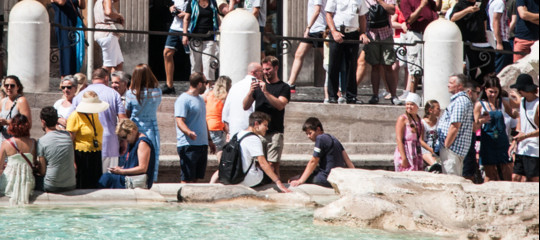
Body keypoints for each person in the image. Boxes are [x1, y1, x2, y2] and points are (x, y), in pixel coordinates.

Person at [68, 68, 127, 174]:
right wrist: (123, 140)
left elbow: (69, 119)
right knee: (109, 180)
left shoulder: (80, 95)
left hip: (86, 145)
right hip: (110, 143)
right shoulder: (114, 94)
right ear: (106, 78)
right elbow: (122, 119)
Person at [243, 56, 290, 177]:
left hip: (275, 131)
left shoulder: (283, 87)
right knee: (258, 163)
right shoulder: (258, 86)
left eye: (268, 69)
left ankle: (276, 185)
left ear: (276, 68)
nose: (265, 72)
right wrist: (250, 92)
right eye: (263, 70)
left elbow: (280, 105)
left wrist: (266, 92)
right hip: (258, 132)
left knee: (272, 164)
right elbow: (245, 106)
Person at [230, 112, 290, 192]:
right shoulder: (254, 138)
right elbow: (263, 163)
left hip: (234, 177)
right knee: (271, 167)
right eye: (265, 125)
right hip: (248, 180)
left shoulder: (238, 134)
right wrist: (278, 182)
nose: (267, 128)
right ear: (256, 124)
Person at [473, 75, 517, 181]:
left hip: (502, 140)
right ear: (485, 90)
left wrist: (515, 99)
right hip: (488, 141)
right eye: (490, 92)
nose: (493, 95)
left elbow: (514, 114)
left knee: (507, 169)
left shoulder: (502, 102)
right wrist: (481, 120)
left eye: (496, 92)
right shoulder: (480, 105)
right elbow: (475, 127)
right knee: (490, 172)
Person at [325, 0, 369, 104]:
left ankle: (351, 96)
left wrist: (363, 33)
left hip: (353, 32)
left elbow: (362, 17)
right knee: (334, 65)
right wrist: (334, 31)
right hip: (338, 31)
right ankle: (332, 95)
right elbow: (328, 14)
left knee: (352, 65)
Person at [289, 117, 354, 187]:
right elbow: (347, 159)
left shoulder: (320, 138)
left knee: (292, 180)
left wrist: (300, 181)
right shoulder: (334, 139)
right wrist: (354, 176)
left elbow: (313, 161)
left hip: (326, 178)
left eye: (310, 133)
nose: (308, 136)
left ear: (318, 129)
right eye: (307, 134)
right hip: (337, 177)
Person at [175, 72, 216, 183]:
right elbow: (179, 121)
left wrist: (209, 140)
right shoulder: (183, 99)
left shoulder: (201, 99)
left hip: (201, 144)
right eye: (205, 83)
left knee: (196, 179)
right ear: (199, 84)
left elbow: (203, 120)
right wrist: (189, 132)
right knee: (187, 178)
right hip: (188, 145)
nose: (207, 85)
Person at [437, 74, 480, 176]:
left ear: (460, 86)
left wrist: (446, 146)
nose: (448, 85)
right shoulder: (460, 100)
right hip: (454, 149)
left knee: (451, 181)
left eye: (451, 83)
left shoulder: (460, 101)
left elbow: (455, 126)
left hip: (452, 150)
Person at [398, 0, 441, 100]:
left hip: (430, 33)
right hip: (416, 33)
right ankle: (412, 96)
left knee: (430, 66)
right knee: (415, 67)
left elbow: (437, 8)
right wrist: (421, 6)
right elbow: (409, 20)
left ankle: (429, 95)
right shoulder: (406, 1)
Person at [126, 64, 162, 182]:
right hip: (152, 127)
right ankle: (151, 179)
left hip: (135, 128)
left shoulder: (130, 94)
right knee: (152, 156)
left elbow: (128, 111)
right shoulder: (157, 92)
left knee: (134, 156)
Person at [67, 91, 109, 189]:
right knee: (83, 184)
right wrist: (72, 161)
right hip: (81, 155)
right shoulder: (75, 116)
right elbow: (69, 141)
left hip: (96, 153)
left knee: (96, 184)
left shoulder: (94, 114)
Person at [364, 0, 403, 105]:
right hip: (371, 33)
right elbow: (361, 14)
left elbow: (392, 10)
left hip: (386, 33)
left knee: (388, 65)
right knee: (374, 66)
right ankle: (375, 95)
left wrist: (380, 1)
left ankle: (393, 95)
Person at [99, 119, 156, 189]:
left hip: (135, 180)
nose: (124, 140)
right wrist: (120, 169)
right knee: (106, 177)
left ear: (132, 131)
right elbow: (133, 164)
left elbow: (143, 168)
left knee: (106, 178)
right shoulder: (132, 142)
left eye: (124, 137)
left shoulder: (142, 143)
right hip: (129, 177)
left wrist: (121, 171)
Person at [450, 0, 495, 83]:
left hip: (482, 43)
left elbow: (484, 20)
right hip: (468, 44)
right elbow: (453, 17)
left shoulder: (480, 5)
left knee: (489, 71)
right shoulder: (460, 5)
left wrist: (485, 34)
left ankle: (480, 88)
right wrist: (467, 10)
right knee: (471, 71)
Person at [287, 0, 327, 93]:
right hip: (312, 30)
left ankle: (334, 87)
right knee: (299, 54)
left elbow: (317, 10)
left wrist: (308, 27)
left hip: (319, 29)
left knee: (327, 59)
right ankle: (291, 83)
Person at [36, 107, 76, 193]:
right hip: (71, 184)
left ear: (43, 122)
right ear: (56, 120)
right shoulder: (67, 136)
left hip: (51, 185)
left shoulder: (41, 141)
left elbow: (42, 172)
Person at [0, 114, 37, 205]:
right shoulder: (33, 142)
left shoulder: (6, 143)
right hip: (27, 182)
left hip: (9, 182)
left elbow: (0, 166)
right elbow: (34, 162)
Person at [509, 74, 539, 182]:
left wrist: (525, 136)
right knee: (515, 176)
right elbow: (520, 121)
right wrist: (515, 141)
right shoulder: (522, 102)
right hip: (522, 146)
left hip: (534, 147)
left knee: (533, 178)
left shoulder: (537, 104)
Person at [182, 0, 220, 82]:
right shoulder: (192, 3)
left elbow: (216, 17)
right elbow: (186, 19)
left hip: (209, 37)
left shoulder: (212, 3)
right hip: (195, 38)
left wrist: (220, 29)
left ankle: (208, 86)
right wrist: (185, 35)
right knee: (195, 64)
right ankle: (195, 85)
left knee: (208, 62)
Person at [222, 62, 262, 137]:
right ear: (254, 72)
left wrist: (229, 133)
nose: (264, 74)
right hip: (251, 131)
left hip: (234, 131)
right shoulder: (258, 86)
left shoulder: (235, 87)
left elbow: (225, 114)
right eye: (261, 71)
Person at [207, 76, 232, 183]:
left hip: (209, 126)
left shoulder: (210, 94)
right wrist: (228, 131)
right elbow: (226, 115)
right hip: (218, 126)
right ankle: (216, 181)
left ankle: (221, 178)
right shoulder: (225, 97)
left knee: (221, 154)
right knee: (222, 159)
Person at [51, 0, 86, 77]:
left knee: (75, 52)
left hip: (74, 24)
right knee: (67, 52)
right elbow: (61, 2)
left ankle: (74, 76)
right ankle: (65, 78)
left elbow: (82, 6)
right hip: (63, 22)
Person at [162, 0, 190, 95]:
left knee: (193, 57)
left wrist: (186, 14)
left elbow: (201, 11)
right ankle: (169, 85)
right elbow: (171, 4)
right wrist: (172, 8)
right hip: (175, 27)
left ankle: (196, 84)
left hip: (190, 28)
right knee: (167, 53)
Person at [394, 93, 426, 171]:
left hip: (415, 151)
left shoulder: (419, 120)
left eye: (412, 104)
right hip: (406, 151)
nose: (409, 106)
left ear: (417, 106)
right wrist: (404, 157)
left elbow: (420, 139)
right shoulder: (402, 119)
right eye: (407, 104)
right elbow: (399, 139)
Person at [94, 0, 125, 73]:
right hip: (107, 33)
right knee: (108, 65)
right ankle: (99, 82)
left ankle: (114, 82)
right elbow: (108, 12)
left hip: (104, 33)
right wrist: (119, 16)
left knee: (118, 64)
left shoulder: (99, 2)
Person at [0, 76, 31, 144]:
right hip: (3, 140)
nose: (9, 88)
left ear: (18, 87)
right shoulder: (3, 102)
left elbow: (28, 124)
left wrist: (7, 122)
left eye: (12, 86)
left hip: (16, 141)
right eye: (6, 85)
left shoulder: (21, 101)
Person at [488, 0, 513, 73]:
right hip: (501, 40)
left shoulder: (493, 2)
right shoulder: (500, 2)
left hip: (499, 39)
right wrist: (499, 43)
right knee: (501, 69)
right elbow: (496, 21)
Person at [421, 99, 442, 170]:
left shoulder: (440, 121)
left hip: (437, 147)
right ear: (430, 110)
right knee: (436, 164)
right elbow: (420, 140)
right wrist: (430, 149)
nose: (440, 110)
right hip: (426, 148)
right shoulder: (422, 123)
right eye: (438, 109)